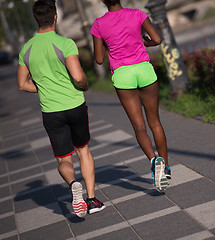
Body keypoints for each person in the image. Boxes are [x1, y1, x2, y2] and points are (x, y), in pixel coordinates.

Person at [17, 0, 105, 217]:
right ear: (55, 16)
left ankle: (73, 183)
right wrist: (85, 85)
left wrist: (45, 89)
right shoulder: (65, 43)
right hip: (75, 105)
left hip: (51, 112)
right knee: (83, 150)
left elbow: (22, 84)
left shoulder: (26, 49)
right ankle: (92, 200)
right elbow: (77, 76)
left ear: (36, 19)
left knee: (64, 159)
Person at [90, 0, 171, 192]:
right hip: (144, 70)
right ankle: (165, 168)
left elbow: (99, 59)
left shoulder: (98, 25)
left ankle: (153, 160)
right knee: (155, 122)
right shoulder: (137, 14)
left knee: (139, 126)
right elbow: (158, 40)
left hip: (123, 76)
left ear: (102, 1)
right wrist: (144, 42)